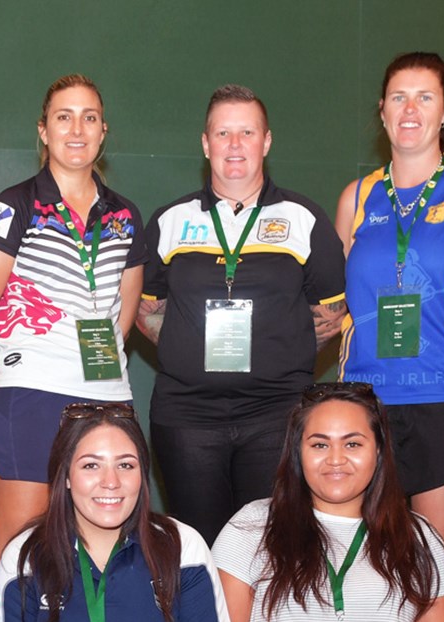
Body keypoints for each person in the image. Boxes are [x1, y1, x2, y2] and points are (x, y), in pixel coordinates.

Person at [137, 84, 347, 543]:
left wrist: (279, 349)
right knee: (198, 550)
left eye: (246, 132)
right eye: (223, 133)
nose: (235, 145)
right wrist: (185, 345)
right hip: (186, 415)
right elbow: (146, 307)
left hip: (276, 412)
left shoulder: (303, 217)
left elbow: (331, 314)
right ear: (205, 143)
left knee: (272, 550)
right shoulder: (171, 219)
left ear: (266, 141)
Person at [335, 52, 444, 573]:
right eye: (398, 97)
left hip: (441, 398)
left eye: (425, 97)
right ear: (383, 112)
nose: (410, 109)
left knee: (436, 558)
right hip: (362, 401)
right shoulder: (358, 196)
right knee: (361, 559)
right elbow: (338, 302)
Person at [0, 74, 147, 563]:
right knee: (21, 555)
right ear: (43, 130)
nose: (77, 129)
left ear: (103, 131)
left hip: (108, 400)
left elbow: (123, 312)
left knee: (107, 555)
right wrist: (11, 380)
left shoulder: (126, 216)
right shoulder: (11, 205)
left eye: (89, 118)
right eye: (64, 117)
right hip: (29, 399)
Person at [213, 382, 444, 622]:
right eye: (320, 444)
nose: (336, 459)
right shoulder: (250, 528)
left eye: (353, 444)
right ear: (298, 452)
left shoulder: (419, 538)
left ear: (379, 450)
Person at [0, 403, 228, 622]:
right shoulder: (24, 555)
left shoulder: (182, 546)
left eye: (125, 465)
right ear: (65, 476)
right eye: (91, 466)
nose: (111, 482)